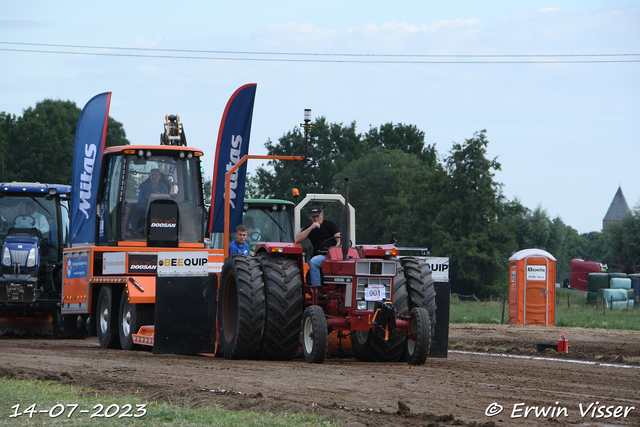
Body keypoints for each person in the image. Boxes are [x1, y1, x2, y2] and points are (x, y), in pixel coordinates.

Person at [295, 206, 340, 288]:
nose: (316, 219)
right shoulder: (309, 228)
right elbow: (297, 239)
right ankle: (317, 289)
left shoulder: (331, 224)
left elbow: (338, 237)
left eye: (317, 216)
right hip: (321, 255)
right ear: (310, 217)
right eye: (313, 217)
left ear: (322, 215)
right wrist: (311, 228)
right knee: (314, 262)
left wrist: (338, 244)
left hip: (333, 254)